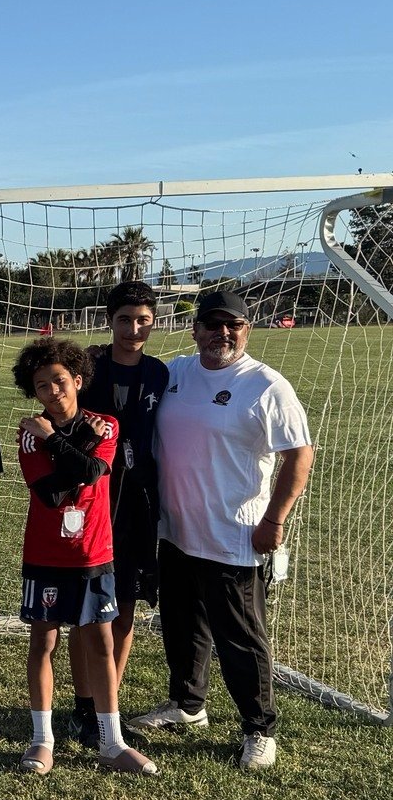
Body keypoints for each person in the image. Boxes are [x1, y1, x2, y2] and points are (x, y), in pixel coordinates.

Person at [132, 289, 314, 770]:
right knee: (180, 624)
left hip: (233, 535)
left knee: (240, 637)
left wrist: (274, 519)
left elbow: (300, 455)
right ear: (195, 330)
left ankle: (260, 728)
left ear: (247, 330)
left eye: (233, 325)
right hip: (174, 530)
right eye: (213, 324)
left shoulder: (266, 385)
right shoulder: (175, 373)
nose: (222, 334)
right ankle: (187, 705)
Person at [13, 337, 156, 776]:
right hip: (46, 554)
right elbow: (53, 493)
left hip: (95, 553)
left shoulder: (105, 424)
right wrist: (73, 449)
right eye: (42, 386)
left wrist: (54, 439)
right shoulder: (27, 433)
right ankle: (42, 741)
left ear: (77, 380)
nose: (53, 392)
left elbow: (96, 473)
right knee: (44, 642)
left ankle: (112, 743)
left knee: (101, 641)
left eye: (59, 381)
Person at [66, 281, 170, 746]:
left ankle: (110, 706)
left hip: (138, 505)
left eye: (143, 320)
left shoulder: (161, 373)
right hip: (90, 500)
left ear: (154, 321)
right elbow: (44, 382)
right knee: (87, 610)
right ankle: (83, 708)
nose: (133, 328)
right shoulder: (86, 366)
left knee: (123, 606)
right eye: (125, 319)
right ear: (110, 320)